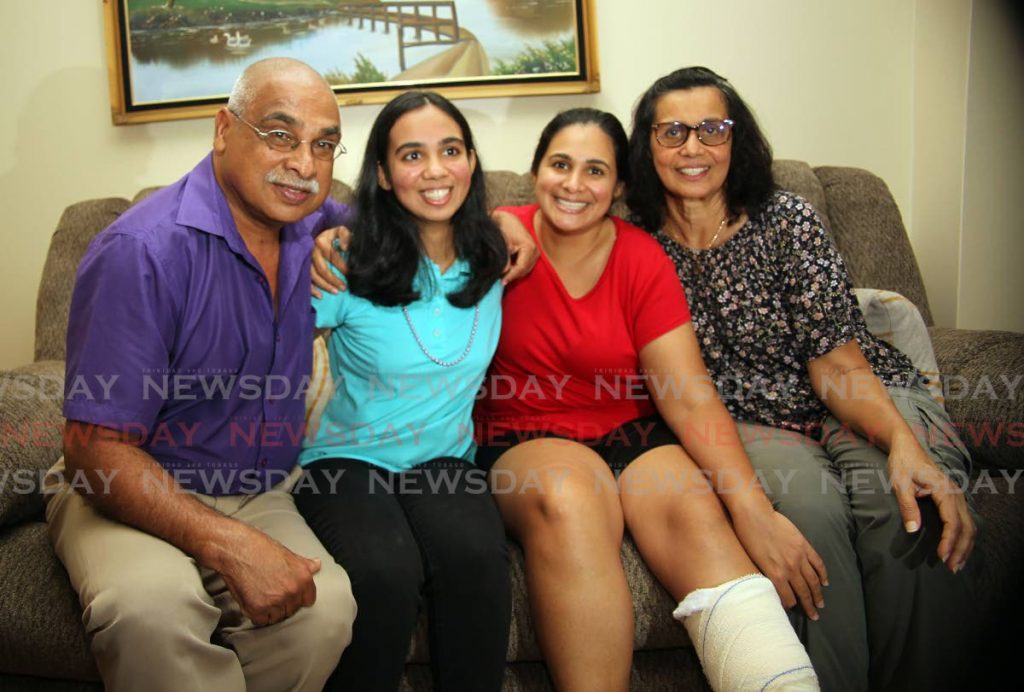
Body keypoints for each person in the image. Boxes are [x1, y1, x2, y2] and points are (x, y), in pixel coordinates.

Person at [624, 66, 977, 692]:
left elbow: (837, 363)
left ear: (737, 139)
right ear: (647, 147)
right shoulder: (634, 244)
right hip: (749, 422)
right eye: (672, 131)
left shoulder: (787, 218)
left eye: (712, 128)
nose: (693, 147)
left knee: (907, 509)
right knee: (809, 520)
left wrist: (902, 444)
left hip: (856, 392)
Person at [474, 108, 819, 692]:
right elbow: (412, 235)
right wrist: (493, 220)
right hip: (522, 436)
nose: (574, 185)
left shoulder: (641, 257)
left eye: (595, 170)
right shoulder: (496, 240)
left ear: (621, 187)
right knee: (573, 497)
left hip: (630, 433)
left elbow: (687, 397)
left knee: (693, 508)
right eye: (560, 165)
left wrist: (753, 509)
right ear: (534, 174)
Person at [46, 58, 357, 692]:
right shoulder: (140, 252)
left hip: (257, 484)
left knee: (325, 612)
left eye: (323, 144)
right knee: (151, 613)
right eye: (280, 134)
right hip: (127, 485)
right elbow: (93, 448)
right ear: (223, 130)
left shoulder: (312, 222)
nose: (304, 162)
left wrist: (503, 226)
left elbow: (411, 228)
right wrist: (227, 544)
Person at [293, 90, 512, 692]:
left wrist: (518, 226)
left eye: (451, 150)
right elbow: (269, 357)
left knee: (476, 560)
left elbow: (559, 213)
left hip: (444, 460)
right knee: (384, 571)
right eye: (412, 156)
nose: (436, 170)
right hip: (345, 460)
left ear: (471, 160)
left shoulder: (495, 255)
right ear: (384, 175)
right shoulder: (344, 261)